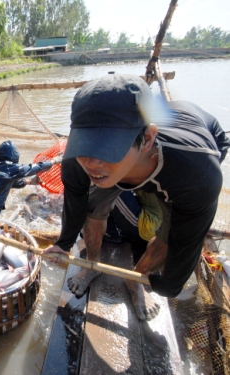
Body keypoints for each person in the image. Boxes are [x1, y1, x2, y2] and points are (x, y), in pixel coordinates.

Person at [43, 73, 230, 321]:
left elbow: (185, 242)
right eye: (84, 145)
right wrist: (65, 243)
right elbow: (76, 198)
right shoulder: (77, 161)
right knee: (94, 205)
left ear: (148, 139)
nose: (91, 163)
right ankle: (93, 265)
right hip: (147, 135)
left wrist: (169, 284)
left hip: (196, 139)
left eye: (106, 148)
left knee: (170, 231)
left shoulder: (196, 173)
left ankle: (136, 280)